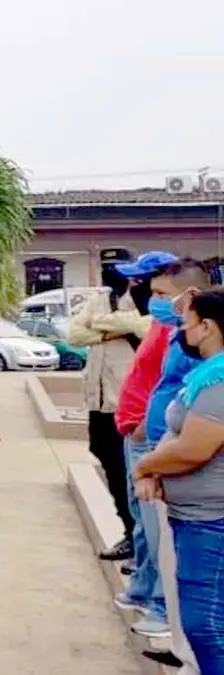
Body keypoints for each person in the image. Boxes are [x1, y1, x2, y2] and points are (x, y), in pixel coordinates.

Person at [116, 254, 206, 644]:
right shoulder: (170, 331)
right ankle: (152, 596)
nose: (149, 298)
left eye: (158, 292)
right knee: (150, 531)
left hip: (163, 449)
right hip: (150, 443)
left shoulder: (196, 344)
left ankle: (164, 610)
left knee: (166, 540)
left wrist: (155, 453)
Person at [134, 289, 224, 674]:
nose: (181, 331)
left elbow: (193, 448)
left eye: (187, 324)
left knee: (206, 626)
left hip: (212, 522)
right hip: (195, 518)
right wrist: (157, 468)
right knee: (202, 623)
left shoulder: (220, 380)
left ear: (207, 327)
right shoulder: (207, 372)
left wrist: (144, 467)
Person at [69, 250, 148, 561]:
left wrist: (99, 327)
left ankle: (140, 541)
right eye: (105, 266)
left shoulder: (142, 297)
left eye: (115, 267)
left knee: (131, 472)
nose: (109, 272)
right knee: (108, 461)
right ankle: (128, 532)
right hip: (99, 400)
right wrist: (113, 329)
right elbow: (75, 334)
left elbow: (144, 326)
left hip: (126, 402)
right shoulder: (100, 298)